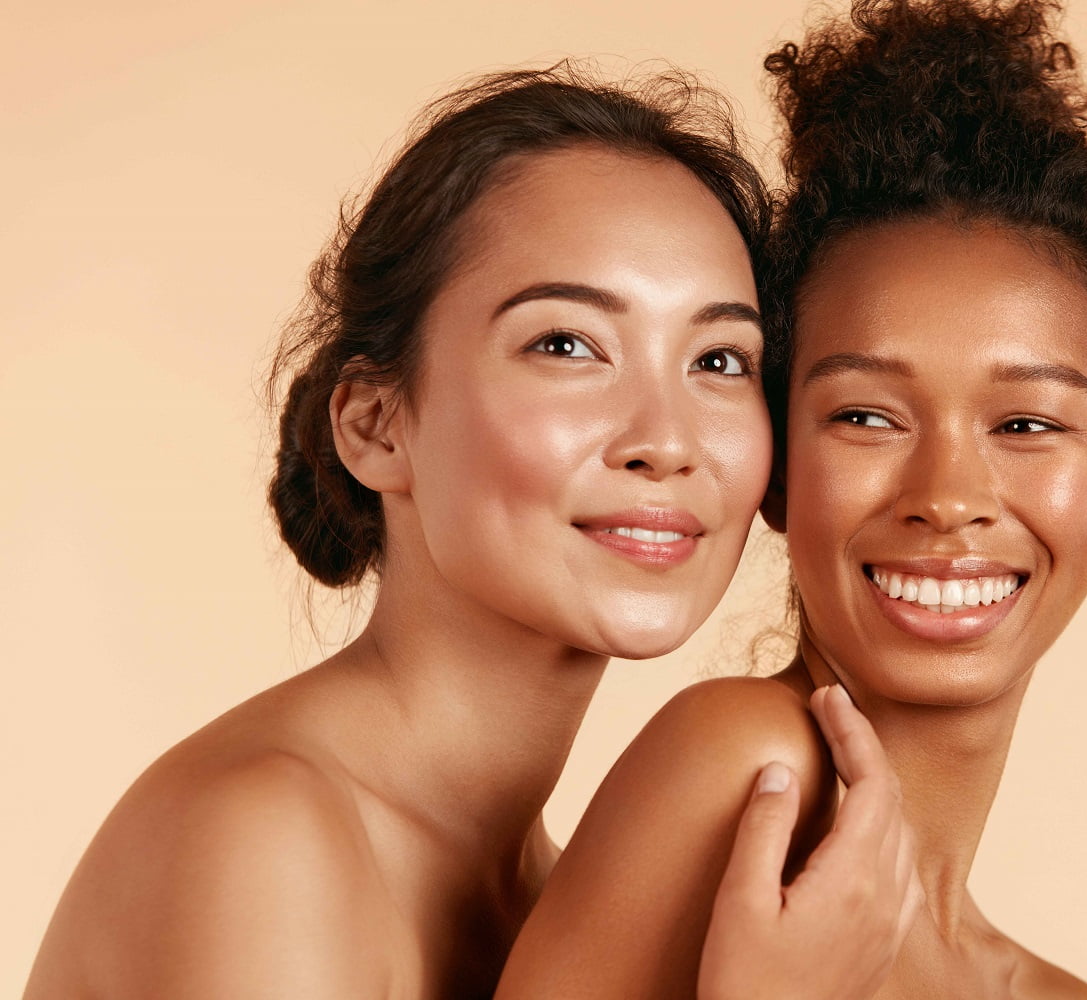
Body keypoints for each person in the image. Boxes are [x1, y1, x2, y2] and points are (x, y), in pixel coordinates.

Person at [23, 66, 917, 1000]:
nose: (667, 440)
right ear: (377, 423)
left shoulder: (562, 904)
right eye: (566, 345)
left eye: (720, 359)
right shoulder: (264, 835)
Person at [493, 1, 1087, 996]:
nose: (947, 498)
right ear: (777, 469)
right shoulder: (745, 772)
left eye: (1025, 424)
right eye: (867, 416)